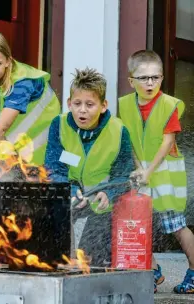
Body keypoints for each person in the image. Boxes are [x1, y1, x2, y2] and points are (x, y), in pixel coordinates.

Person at [118, 50, 194, 294]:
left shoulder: (169, 105)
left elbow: (167, 142)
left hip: (165, 177)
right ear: (131, 81)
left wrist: (148, 170)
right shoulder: (125, 105)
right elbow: (129, 139)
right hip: (143, 174)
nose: (150, 83)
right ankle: (152, 270)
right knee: (139, 225)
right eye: (143, 78)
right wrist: (140, 167)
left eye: (155, 77)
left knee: (177, 226)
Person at [44, 67, 135, 266]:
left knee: (89, 260)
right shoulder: (58, 126)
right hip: (72, 198)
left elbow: (123, 175)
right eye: (77, 104)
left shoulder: (119, 132)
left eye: (90, 104)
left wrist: (109, 195)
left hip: (103, 204)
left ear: (103, 106)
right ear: (69, 104)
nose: (82, 110)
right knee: (59, 254)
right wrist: (72, 191)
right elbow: (53, 168)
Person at [0, 30, 60, 166]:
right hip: (15, 161)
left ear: (8, 61)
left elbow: (2, 127)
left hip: (48, 158)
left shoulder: (23, 81)